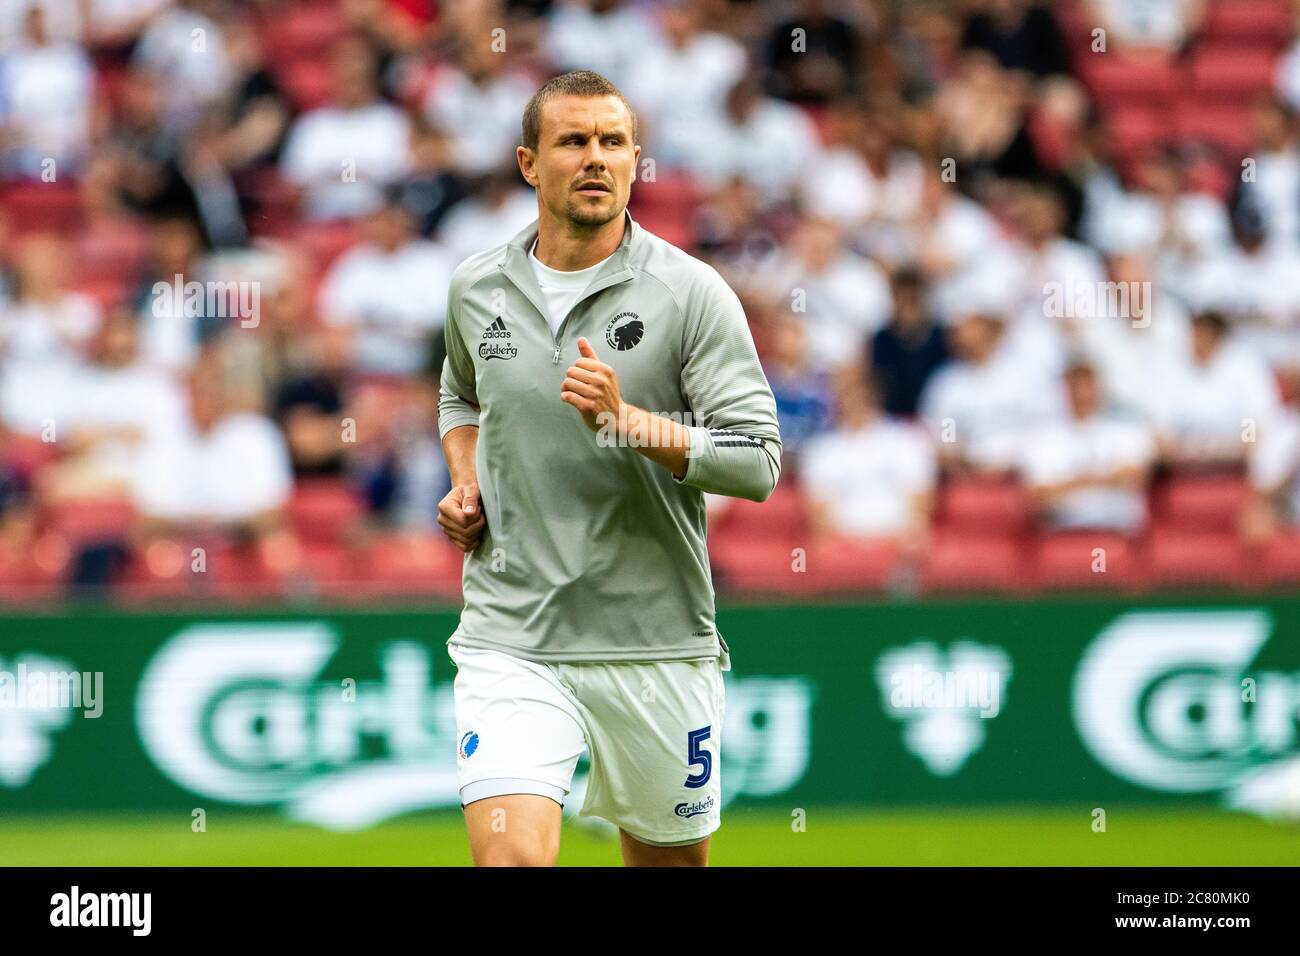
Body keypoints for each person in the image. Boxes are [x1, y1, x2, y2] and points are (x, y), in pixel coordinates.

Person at [436, 70, 781, 867]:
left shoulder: (693, 293)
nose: (596, 159)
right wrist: (466, 480)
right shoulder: (475, 287)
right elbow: (460, 396)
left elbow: (759, 461)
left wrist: (629, 424)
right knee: (509, 860)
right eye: (574, 141)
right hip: (511, 635)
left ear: (635, 161)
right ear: (529, 163)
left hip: (655, 640)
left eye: (613, 143)